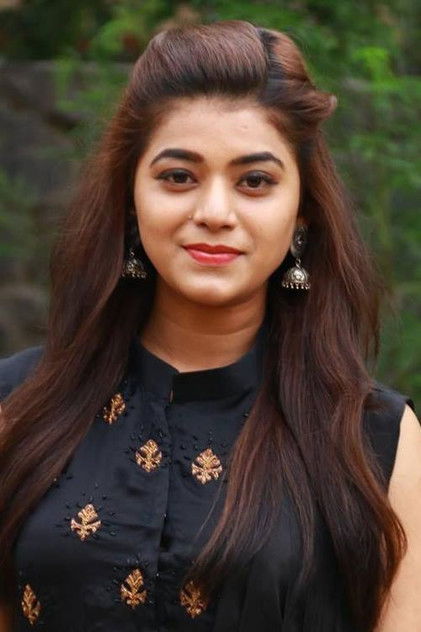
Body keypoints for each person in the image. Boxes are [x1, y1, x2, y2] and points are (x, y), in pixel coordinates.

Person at [0, 19, 419, 632]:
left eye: (255, 181)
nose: (215, 212)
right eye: (179, 177)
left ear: (302, 212)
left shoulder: (375, 441)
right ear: (130, 199)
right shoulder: (19, 407)